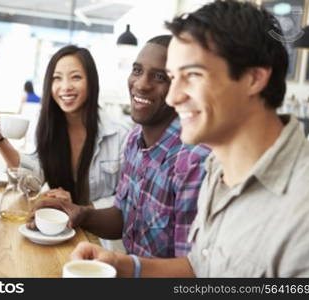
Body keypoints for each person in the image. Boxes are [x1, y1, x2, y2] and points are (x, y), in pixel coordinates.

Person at [70, 0, 309, 277]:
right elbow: (200, 267)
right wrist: (123, 265)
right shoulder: (219, 169)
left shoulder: (305, 209)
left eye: (193, 75)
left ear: (253, 79)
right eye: (174, 77)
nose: (174, 97)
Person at [31, 35, 209, 258]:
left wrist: (119, 265)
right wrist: (79, 214)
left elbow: (193, 270)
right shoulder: (135, 141)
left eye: (160, 77)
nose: (142, 84)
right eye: (137, 71)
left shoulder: (193, 159)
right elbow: (124, 216)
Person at [0, 45, 128, 211]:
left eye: (76, 77)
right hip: (56, 226)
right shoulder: (47, 127)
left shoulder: (120, 136)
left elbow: (127, 199)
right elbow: (32, 182)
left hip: (99, 235)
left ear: (92, 82)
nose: (65, 87)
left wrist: (80, 209)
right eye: (57, 78)